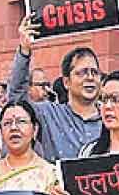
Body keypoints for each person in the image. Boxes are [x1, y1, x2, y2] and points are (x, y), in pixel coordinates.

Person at [7, 16, 102, 161]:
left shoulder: (113, 116)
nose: (90, 77)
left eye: (94, 72)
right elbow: (17, 98)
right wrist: (24, 50)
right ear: (66, 82)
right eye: (82, 73)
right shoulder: (49, 115)